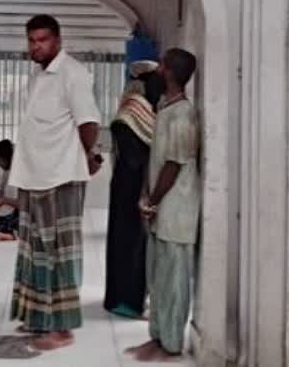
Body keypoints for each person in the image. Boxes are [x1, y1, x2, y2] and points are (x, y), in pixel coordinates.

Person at [9, 14, 103, 351]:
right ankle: (38, 318)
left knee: (60, 253)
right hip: (35, 175)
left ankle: (63, 329)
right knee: (35, 250)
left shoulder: (72, 74)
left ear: (58, 40)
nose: (36, 46)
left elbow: (88, 121)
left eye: (43, 40)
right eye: (32, 40)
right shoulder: (38, 77)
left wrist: (87, 157)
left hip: (61, 177)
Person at [127, 49, 201, 363]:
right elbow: (157, 160)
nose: (157, 67)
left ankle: (171, 344)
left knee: (174, 280)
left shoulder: (184, 113)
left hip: (176, 208)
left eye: (162, 63)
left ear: (169, 71)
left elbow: (173, 164)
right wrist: (146, 196)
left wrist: (153, 200)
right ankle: (156, 336)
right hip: (160, 206)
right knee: (157, 276)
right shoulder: (164, 107)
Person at [104, 60, 165, 320]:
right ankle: (126, 301)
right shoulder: (130, 114)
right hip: (131, 189)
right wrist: (145, 193)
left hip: (132, 186)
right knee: (130, 244)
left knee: (132, 243)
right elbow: (133, 159)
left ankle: (126, 298)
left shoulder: (144, 113)